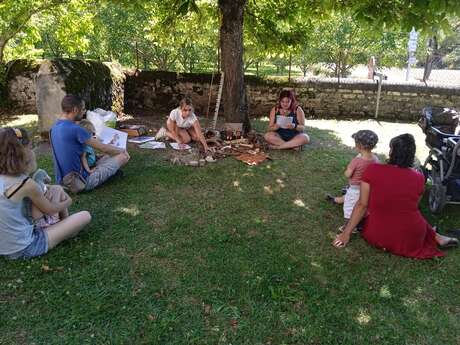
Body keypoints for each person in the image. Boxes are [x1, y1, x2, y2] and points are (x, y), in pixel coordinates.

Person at [333, 134, 459, 258]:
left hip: (378, 235)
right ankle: (436, 236)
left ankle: (436, 236)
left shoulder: (372, 170)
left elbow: (362, 205)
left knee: (396, 212)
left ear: (392, 151)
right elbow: (413, 207)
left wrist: (346, 234)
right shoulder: (419, 178)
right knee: (409, 212)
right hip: (411, 238)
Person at [0, 127, 91, 259]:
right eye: (31, 147)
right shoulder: (26, 184)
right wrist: (68, 201)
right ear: (23, 152)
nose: (33, 152)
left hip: (4, 247)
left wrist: (49, 187)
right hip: (25, 248)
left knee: (53, 190)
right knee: (85, 216)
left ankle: (63, 226)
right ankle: (66, 229)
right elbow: (50, 209)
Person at [50, 94, 130, 191]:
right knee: (123, 156)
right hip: (80, 182)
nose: (84, 112)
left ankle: (108, 172)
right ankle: (107, 175)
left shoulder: (54, 128)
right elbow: (103, 147)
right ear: (75, 110)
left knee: (107, 156)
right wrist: (122, 150)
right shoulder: (75, 129)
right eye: (83, 109)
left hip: (63, 181)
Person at [326, 130, 380, 231]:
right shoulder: (376, 159)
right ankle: (336, 200)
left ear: (359, 146)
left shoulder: (356, 161)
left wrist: (347, 169)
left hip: (355, 189)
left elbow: (348, 174)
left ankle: (349, 225)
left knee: (349, 207)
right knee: (360, 202)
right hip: (368, 189)